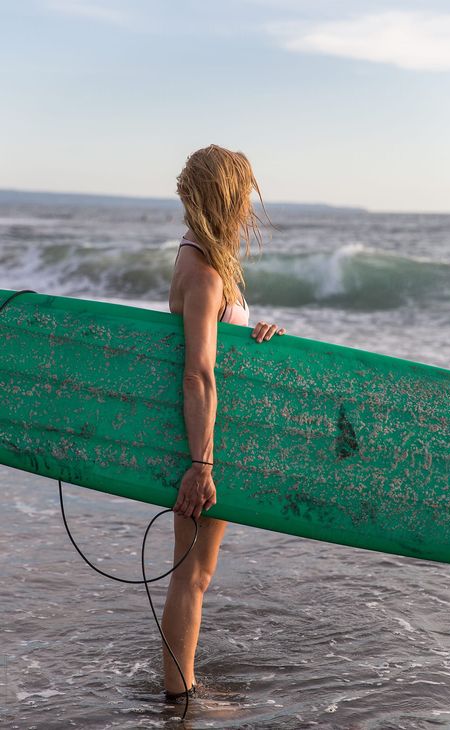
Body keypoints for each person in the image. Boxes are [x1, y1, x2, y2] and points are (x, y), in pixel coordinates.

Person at [163, 144, 286, 698]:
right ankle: (179, 697)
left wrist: (254, 332)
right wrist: (200, 465)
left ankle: (181, 688)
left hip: (207, 436)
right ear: (229, 198)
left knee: (196, 575)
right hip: (203, 442)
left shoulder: (197, 258)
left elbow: (211, 349)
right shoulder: (207, 272)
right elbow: (197, 375)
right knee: (191, 577)